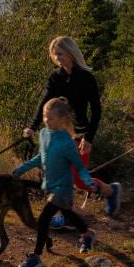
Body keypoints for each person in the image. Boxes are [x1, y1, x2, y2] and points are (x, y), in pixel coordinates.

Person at [14, 97, 120, 267]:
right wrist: (21, 169)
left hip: (63, 188)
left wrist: (88, 182)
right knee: (69, 214)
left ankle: (36, 257)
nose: (46, 120)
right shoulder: (44, 134)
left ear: (63, 120)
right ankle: (87, 234)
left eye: (51, 117)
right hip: (51, 186)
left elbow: (79, 166)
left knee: (43, 219)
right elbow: (40, 157)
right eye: (45, 116)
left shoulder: (67, 142)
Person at [23, 36, 105, 220]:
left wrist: (89, 137)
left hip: (80, 134)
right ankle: (63, 214)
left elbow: (97, 110)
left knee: (78, 180)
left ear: (70, 52)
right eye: (54, 54)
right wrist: (32, 127)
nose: (57, 57)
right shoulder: (55, 77)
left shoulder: (86, 78)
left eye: (60, 53)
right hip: (58, 135)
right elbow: (43, 103)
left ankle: (110, 190)